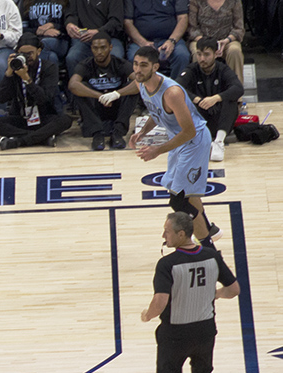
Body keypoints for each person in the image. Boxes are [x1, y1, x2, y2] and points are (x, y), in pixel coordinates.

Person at [140, 212, 239, 373]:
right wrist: (212, 294)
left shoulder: (167, 264)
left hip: (175, 333)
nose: (164, 235)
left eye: (167, 231)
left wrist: (147, 315)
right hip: (205, 331)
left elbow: (160, 301)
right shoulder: (212, 256)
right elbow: (234, 289)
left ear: (181, 234)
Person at [106, 46, 219, 246]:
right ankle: (209, 228)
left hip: (194, 141)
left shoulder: (172, 92)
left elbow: (189, 131)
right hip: (179, 140)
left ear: (155, 67)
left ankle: (207, 248)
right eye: (135, 64)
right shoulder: (142, 84)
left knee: (179, 200)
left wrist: (157, 150)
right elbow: (156, 112)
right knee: (188, 194)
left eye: (143, 65)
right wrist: (142, 132)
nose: (138, 70)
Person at [0, 32, 71, 149]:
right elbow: (1, 98)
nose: (27, 57)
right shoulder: (15, 68)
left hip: (44, 117)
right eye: (22, 54)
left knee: (65, 120)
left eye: (30, 53)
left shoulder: (49, 67)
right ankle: (41, 138)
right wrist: (8, 74)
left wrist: (27, 79)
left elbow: (44, 99)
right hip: (21, 117)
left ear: (39, 51)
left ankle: (18, 141)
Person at [124, 0, 189, 79]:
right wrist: (142, 42)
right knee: (134, 58)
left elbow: (183, 18)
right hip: (140, 41)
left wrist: (171, 41)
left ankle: (176, 91)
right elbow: (127, 22)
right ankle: (142, 93)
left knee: (182, 56)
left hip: (169, 39)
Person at [178, 37, 242, 163]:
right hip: (200, 116)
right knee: (183, 101)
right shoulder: (191, 70)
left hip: (219, 117)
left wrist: (216, 98)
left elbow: (238, 88)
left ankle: (219, 142)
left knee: (230, 100)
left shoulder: (222, 69)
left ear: (216, 53)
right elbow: (176, 88)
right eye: (199, 54)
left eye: (206, 55)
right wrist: (196, 99)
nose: (202, 59)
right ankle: (197, 141)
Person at [68, 31, 134, 150]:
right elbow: (73, 85)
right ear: (91, 49)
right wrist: (99, 96)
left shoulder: (120, 64)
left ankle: (117, 133)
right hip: (96, 108)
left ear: (110, 47)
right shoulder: (86, 65)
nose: (99, 52)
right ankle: (97, 134)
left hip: (116, 106)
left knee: (133, 88)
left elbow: (141, 82)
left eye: (103, 48)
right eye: (95, 48)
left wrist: (116, 94)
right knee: (80, 87)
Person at [187, 0, 244, 85]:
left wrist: (226, 41)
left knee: (235, 51)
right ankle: (199, 90)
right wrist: (207, 43)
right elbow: (192, 28)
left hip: (226, 40)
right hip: (202, 39)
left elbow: (239, 28)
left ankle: (236, 92)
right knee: (199, 52)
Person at [19, 0, 68, 67]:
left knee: (44, 44)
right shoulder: (27, 0)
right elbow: (22, 28)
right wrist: (38, 31)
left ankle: (37, 79)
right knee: (51, 56)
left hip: (60, 41)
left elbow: (68, 23)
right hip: (35, 40)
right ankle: (50, 81)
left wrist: (53, 26)